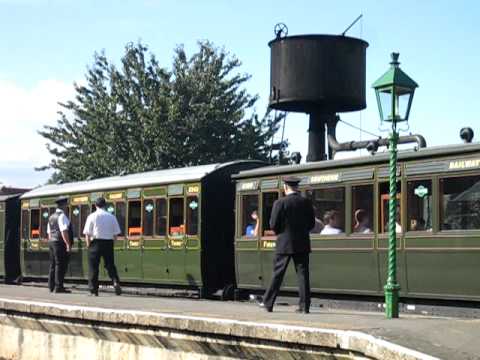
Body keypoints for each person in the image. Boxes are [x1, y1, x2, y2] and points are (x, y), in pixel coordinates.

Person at [259, 176, 315, 313]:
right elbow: (311, 224)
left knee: (278, 273)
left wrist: (281, 233)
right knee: (303, 275)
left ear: (285, 187)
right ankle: (304, 306)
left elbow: (273, 224)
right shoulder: (306, 202)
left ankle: (268, 302)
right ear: (297, 187)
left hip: (284, 242)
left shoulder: (280, 203)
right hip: (302, 242)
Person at [83, 196, 122, 296]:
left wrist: (88, 245)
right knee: (110, 265)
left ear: (95, 205)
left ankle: (93, 290)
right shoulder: (111, 216)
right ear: (105, 205)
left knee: (93, 266)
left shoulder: (92, 216)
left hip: (95, 242)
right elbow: (116, 234)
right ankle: (115, 281)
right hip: (108, 242)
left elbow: (87, 233)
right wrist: (112, 243)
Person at [47, 196, 72, 293]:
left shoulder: (51, 217)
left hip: (52, 242)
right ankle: (59, 286)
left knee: (53, 264)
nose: (67, 206)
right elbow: (64, 231)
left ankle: (51, 285)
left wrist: (51, 242)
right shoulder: (62, 216)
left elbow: (49, 232)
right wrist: (68, 244)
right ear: (63, 205)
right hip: (59, 242)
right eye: (66, 204)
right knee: (60, 264)